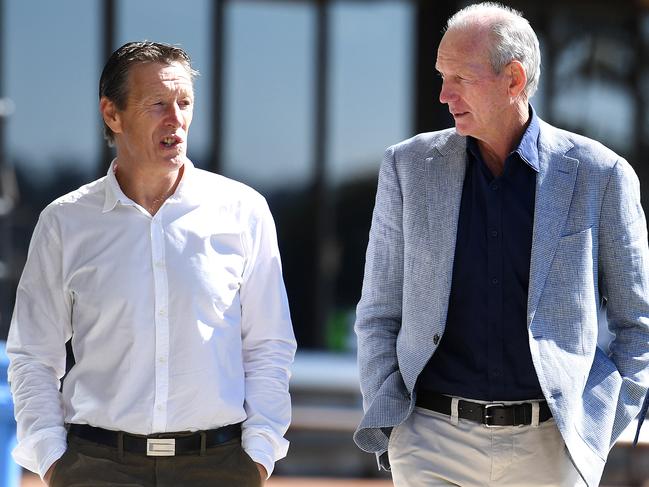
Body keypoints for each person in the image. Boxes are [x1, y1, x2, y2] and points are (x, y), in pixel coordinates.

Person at [353, 3, 649, 486]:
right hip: (431, 443)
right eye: (441, 76)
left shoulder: (602, 175)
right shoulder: (407, 167)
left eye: (460, 79)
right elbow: (379, 311)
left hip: (552, 450)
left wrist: (595, 430)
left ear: (514, 79)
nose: (445, 95)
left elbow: (638, 325)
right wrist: (394, 423)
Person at [6, 41, 296, 486]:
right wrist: (51, 459)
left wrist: (259, 454)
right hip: (96, 467)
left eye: (184, 103)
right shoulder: (65, 222)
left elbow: (269, 345)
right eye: (157, 103)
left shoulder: (243, 212)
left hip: (218, 467)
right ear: (112, 114)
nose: (175, 119)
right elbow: (32, 356)